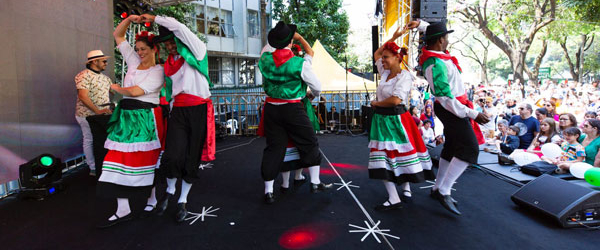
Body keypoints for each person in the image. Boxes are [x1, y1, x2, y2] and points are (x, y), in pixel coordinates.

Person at [140, 14, 215, 222]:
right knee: (172, 155)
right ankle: (171, 191)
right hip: (178, 111)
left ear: (180, 40)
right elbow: (170, 91)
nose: (171, 47)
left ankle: (183, 199)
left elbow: (179, 27)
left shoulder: (197, 52)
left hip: (198, 109)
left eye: (173, 42)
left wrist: (154, 17)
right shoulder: (168, 65)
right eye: (166, 44)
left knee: (192, 157)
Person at [412, 20, 489, 215]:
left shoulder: (437, 56)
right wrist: (472, 113)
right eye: (446, 37)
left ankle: (437, 188)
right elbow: (445, 97)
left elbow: (431, 31)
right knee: (469, 148)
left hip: (455, 108)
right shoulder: (435, 64)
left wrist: (421, 24)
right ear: (440, 40)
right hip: (452, 109)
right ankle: (444, 190)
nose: (447, 40)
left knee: (453, 147)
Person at [96, 15, 165, 228]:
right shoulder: (134, 63)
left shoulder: (159, 71)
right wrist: (131, 19)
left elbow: (135, 92)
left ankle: (151, 199)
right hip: (126, 118)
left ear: (154, 50)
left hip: (146, 120)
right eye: (138, 49)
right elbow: (118, 35)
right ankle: (123, 208)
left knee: (146, 162)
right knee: (115, 161)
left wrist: (117, 89)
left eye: (144, 49)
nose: (140, 52)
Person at [257, 21, 331, 204]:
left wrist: (283, 37)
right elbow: (317, 86)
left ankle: (268, 191)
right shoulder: (299, 63)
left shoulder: (264, 59)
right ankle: (314, 182)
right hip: (292, 108)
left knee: (274, 148)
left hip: (272, 109)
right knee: (309, 141)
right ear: (291, 42)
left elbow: (269, 47)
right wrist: (314, 95)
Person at [369, 26, 432, 211]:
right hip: (383, 120)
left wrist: (375, 104)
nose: (382, 60)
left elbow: (396, 99)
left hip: (396, 118)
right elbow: (376, 53)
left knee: (395, 156)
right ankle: (398, 194)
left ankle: (401, 192)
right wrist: (396, 36)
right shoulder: (386, 72)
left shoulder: (404, 76)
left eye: (386, 57)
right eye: (383, 58)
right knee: (384, 157)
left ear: (397, 58)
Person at [75, 50, 113, 176]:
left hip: (102, 116)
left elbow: (113, 91)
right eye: (104, 61)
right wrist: (97, 110)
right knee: (90, 139)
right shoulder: (84, 75)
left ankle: (103, 166)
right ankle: (93, 167)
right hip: (87, 115)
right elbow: (83, 96)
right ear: (94, 61)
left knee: (102, 140)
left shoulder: (106, 78)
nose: (106, 63)